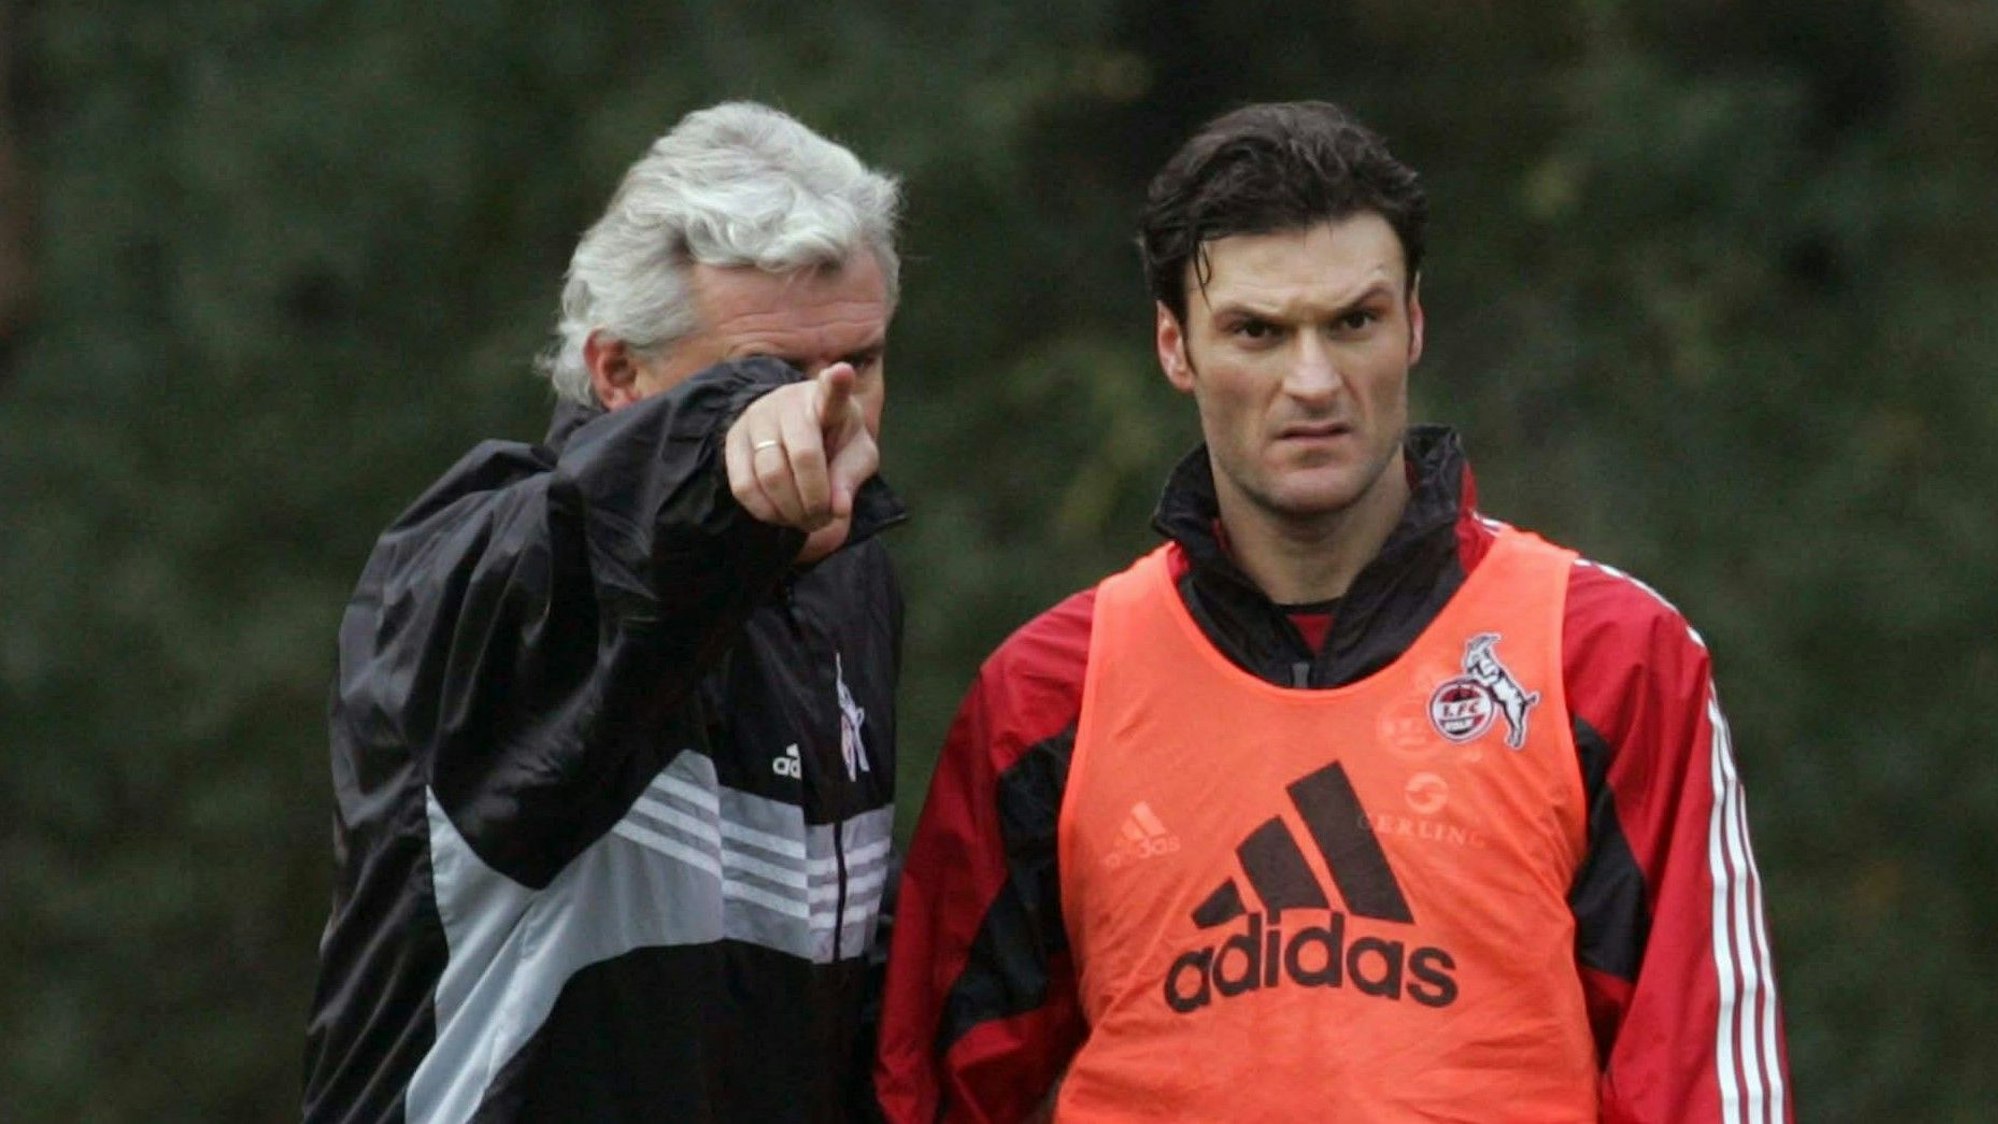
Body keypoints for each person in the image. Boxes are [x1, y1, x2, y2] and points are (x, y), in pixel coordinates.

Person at [877, 101, 1792, 1123]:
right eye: (1258, 332)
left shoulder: (1608, 656)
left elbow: (1702, 1079)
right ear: (1176, 347)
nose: (1312, 381)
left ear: (1413, 324)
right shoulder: (1047, 694)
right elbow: (928, 1089)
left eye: (1352, 321)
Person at [303, 101, 905, 1122]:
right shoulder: (488, 571)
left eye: (859, 361)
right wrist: (725, 444)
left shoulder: (848, 581)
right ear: (616, 369)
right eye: (764, 374)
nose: (829, 410)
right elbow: (614, 531)